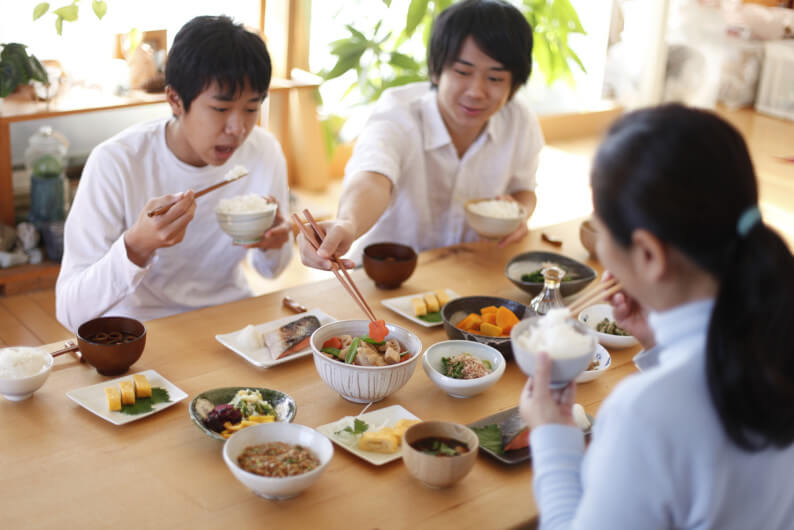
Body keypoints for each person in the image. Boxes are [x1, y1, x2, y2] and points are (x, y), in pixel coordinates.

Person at [520, 104, 794, 529]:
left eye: (601, 228)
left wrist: (553, 436)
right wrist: (658, 345)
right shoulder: (775, 341)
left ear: (648, 254)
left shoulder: (646, 415)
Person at [55, 16, 292, 332]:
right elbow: (70, 310)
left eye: (251, 109)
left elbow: (271, 272)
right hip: (143, 330)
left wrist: (273, 245)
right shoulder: (116, 162)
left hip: (232, 321)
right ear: (175, 100)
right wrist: (136, 247)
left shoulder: (264, 152)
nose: (238, 129)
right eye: (221, 109)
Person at [299, 0, 543, 269]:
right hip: (386, 279)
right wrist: (348, 222)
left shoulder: (519, 120)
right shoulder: (397, 113)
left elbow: (524, 190)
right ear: (436, 70)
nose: (476, 91)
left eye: (495, 78)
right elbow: (372, 178)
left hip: (472, 269)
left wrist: (519, 215)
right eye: (462, 72)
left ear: (515, 83)